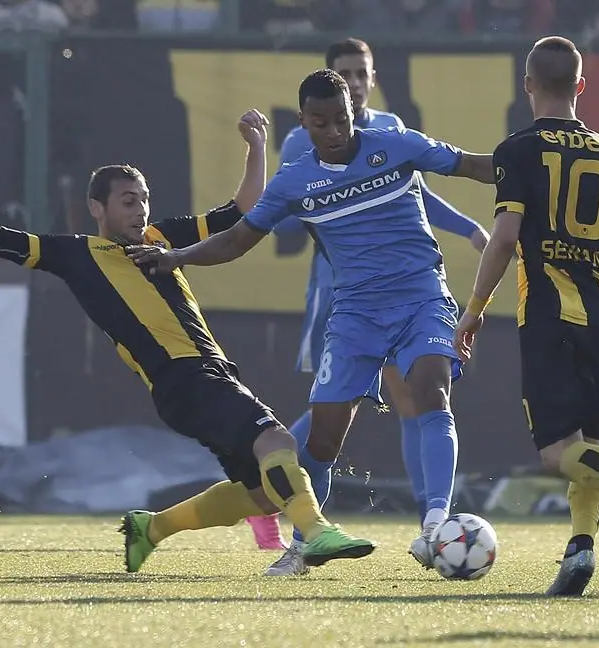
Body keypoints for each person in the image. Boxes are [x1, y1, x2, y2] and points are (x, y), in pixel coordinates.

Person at [0, 109, 375, 574]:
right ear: (96, 208)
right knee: (278, 442)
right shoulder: (77, 254)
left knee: (264, 493)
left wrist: (256, 146)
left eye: (143, 199)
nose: (140, 210)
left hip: (205, 374)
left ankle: (151, 528)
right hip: (183, 376)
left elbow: (243, 210)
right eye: (127, 201)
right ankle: (316, 532)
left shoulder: (161, 237)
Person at [126, 69, 496, 574]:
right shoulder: (294, 180)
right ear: (303, 122)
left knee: (431, 389)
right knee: (320, 442)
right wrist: (179, 257)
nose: (335, 131)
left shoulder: (398, 144)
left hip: (421, 298)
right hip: (355, 316)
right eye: (321, 123)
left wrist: (529, 164)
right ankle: (303, 546)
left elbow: (473, 165)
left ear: (353, 112)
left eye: (343, 119)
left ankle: (435, 524)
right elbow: (237, 239)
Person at [453, 36, 599, 597]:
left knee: (557, 453)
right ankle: (580, 551)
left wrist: (473, 310)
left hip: (548, 311)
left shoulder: (518, 150)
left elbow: (504, 238)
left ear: (528, 84)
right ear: (581, 86)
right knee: (589, 444)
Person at [248, 36, 491, 574]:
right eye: (347, 73)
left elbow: (419, 189)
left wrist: (469, 227)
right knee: (330, 417)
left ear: (371, 80)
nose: (356, 85)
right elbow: (274, 220)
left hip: (412, 292)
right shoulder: (298, 148)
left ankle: (431, 523)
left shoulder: (391, 132)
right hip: (341, 296)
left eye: (362, 74)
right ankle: (268, 486)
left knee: (420, 394)